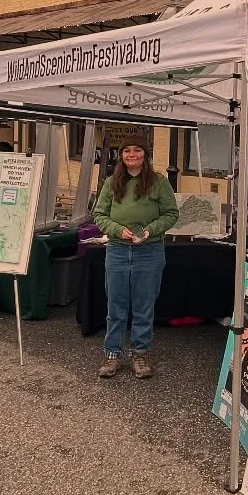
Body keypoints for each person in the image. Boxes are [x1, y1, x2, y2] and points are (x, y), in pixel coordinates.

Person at [92, 139, 178, 379]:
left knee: (144, 306)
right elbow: (99, 215)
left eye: (137, 150)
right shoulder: (111, 182)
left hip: (149, 251)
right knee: (116, 306)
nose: (132, 154)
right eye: (127, 151)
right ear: (121, 156)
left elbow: (171, 214)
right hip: (118, 251)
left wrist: (150, 230)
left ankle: (139, 353)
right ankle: (113, 354)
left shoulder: (159, 182)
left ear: (146, 154)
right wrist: (118, 230)